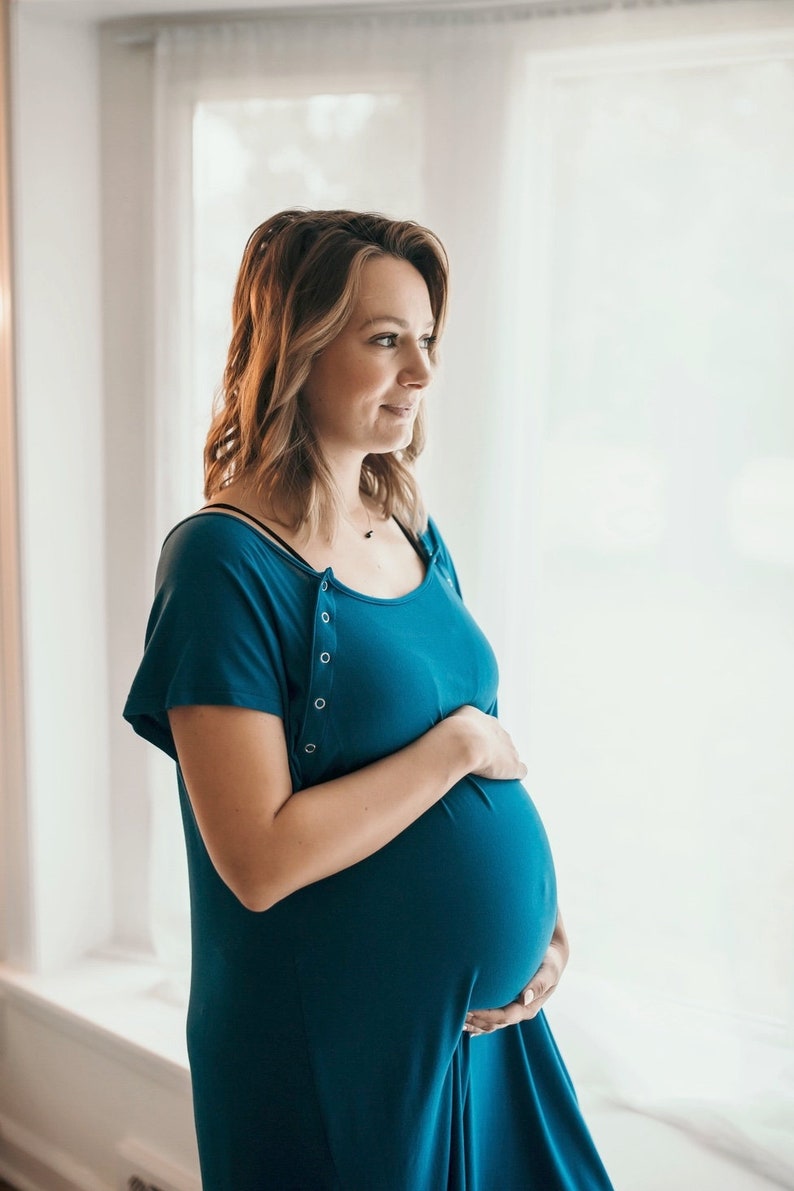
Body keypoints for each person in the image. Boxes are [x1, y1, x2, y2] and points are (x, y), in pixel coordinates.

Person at [124, 208, 614, 1191]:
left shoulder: (404, 519)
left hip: (483, 1033)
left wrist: (538, 914)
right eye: (385, 340)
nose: (421, 373)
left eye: (425, 340)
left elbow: (445, 711)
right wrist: (463, 753)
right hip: (339, 1057)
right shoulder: (221, 563)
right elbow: (257, 859)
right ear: (297, 350)